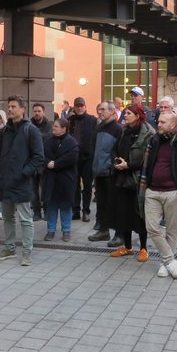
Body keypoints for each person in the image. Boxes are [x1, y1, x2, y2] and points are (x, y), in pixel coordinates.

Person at [143, 112, 177, 279]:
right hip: (152, 191)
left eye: (162, 122)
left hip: (172, 193)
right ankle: (170, 261)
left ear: (173, 125)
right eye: (158, 121)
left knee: (171, 230)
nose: (158, 124)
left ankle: (164, 263)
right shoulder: (154, 141)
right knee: (152, 227)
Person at [0, 96, 44, 266]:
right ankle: (9, 248)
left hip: (21, 182)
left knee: (25, 219)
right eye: (9, 106)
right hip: (5, 182)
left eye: (14, 106)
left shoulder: (31, 130)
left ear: (23, 109)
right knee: (7, 218)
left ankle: (27, 252)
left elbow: (38, 157)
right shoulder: (6, 130)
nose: (10, 109)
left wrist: (24, 173)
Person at [108, 105, 154, 258]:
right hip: (121, 177)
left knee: (139, 213)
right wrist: (117, 162)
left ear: (137, 115)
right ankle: (127, 247)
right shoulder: (124, 131)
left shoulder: (148, 133)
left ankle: (143, 248)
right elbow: (114, 149)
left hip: (138, 179)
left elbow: (149, 160)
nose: (125, 116)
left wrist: (128, 165)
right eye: (125, 113)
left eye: (128, 113)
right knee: (123, 213)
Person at [89, 101, 122, 241]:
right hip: (99, 172)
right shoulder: (100, 127)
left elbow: (119, 152)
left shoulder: (118, 129)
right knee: (101, 203)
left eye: (103, 109)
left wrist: (111, 166)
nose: (100, 112)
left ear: (112, 111)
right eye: (99, 109)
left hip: (110, 173)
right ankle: (103, 231)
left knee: (113, 204)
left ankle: (119, 235)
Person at [42, 118, 79, 242]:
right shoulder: (48, 141)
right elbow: (43, 155)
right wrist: (48, 163)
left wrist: (56, 164)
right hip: (51, 179)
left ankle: (66, 231)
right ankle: (51, 230)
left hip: (66, 179)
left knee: (65, 206)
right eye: (54, 126)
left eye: (57, 127)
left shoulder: (71, 142)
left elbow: (72, 157)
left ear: (64, 128)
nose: (54, 129)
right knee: (51, 205)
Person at [68, 97, 97, 222]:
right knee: (74, 185)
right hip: (74, 158)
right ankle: (75, 210)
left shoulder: (92, 120)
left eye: (81, 106)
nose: (79, 108)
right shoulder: (70, 120)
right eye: (77, 106)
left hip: (87, 158)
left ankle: (86, 211)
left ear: (85, 106)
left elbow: (96, 138)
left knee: (87, 186)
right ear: (74, 107)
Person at [30, 102, 53, 220]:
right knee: (33, 190)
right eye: (35, 111)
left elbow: (49, 137)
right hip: (32, 162)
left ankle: (47, 211)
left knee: (45, 189)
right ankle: (36, 212)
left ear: (43, 112)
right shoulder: (29, 124)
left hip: (45, 162)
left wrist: (35, 136)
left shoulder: (49, 125)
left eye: (39, 111)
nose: (37, 113)